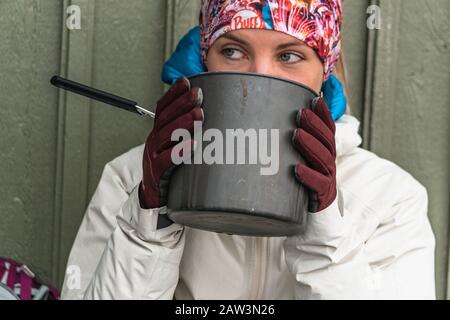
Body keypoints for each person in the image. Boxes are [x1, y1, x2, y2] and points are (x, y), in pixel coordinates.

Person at [61, 0, 436, 300]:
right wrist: (148, 220)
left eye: (289, 56)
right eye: (234, 51)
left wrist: (325, 225)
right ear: (204, 59)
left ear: (324, 71)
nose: (259, 76)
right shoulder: (131, 179)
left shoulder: (390, 200)